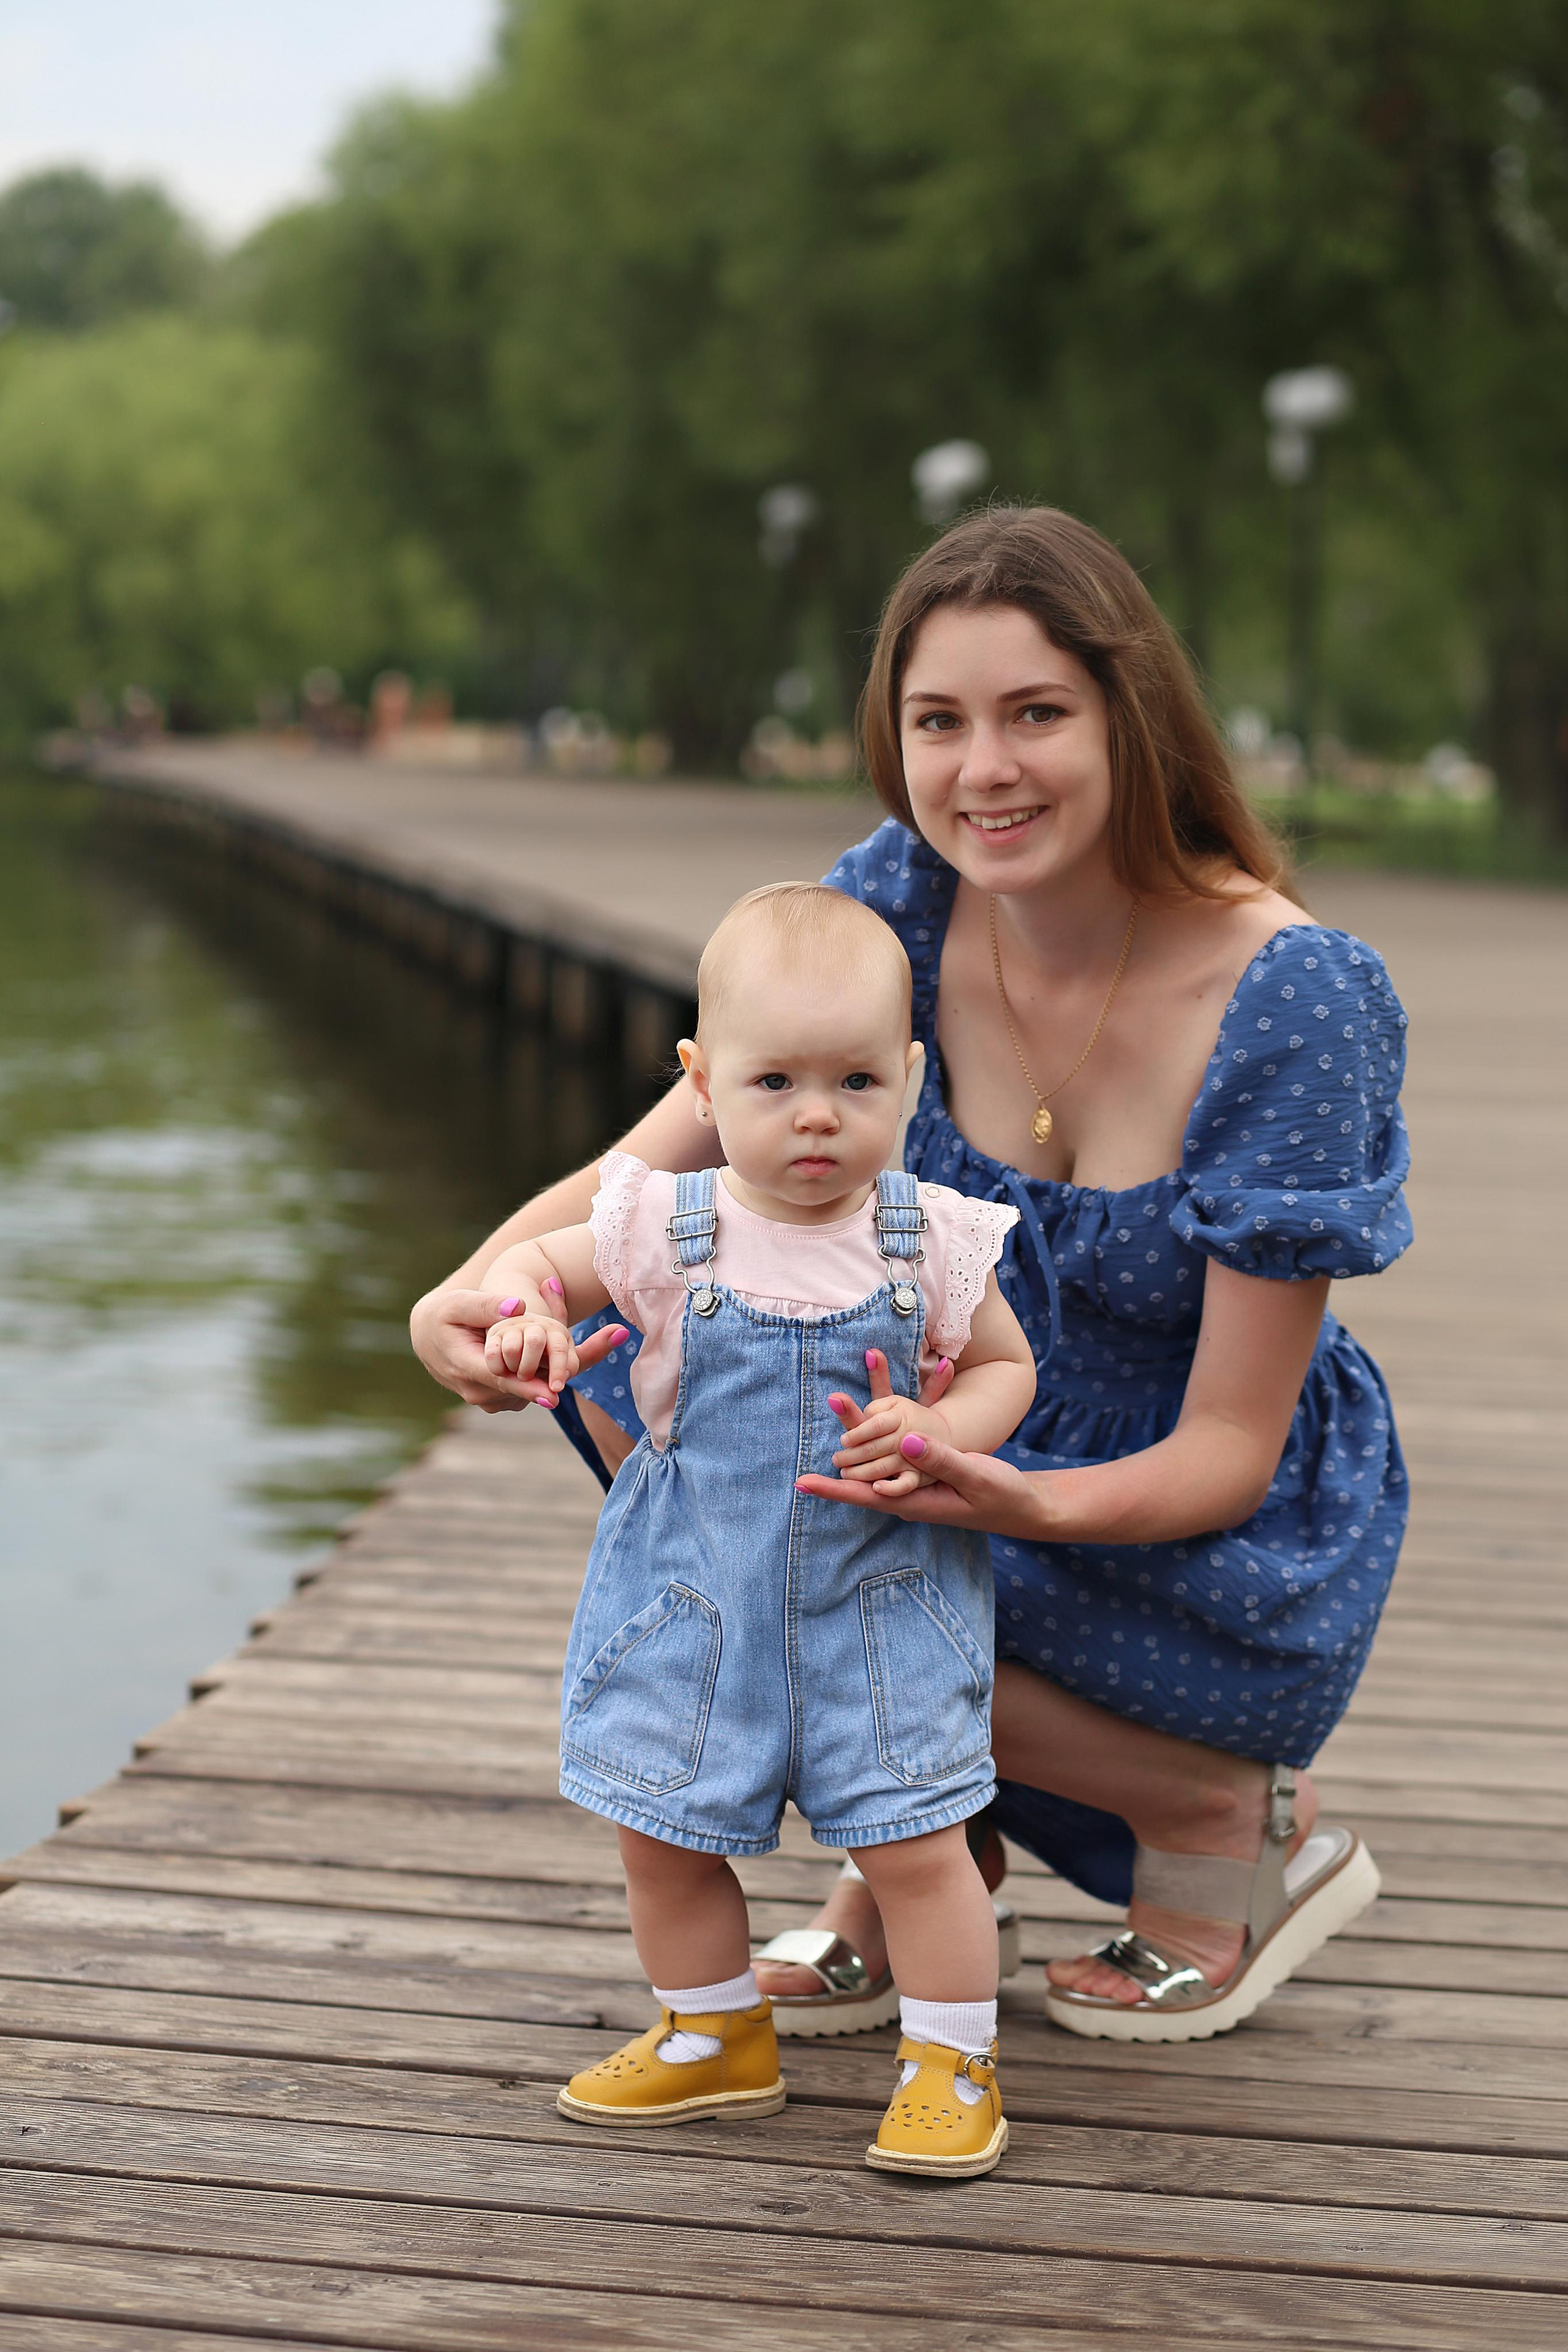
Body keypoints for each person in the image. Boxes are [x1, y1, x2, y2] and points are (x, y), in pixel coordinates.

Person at [410, 503, 1411, 2046]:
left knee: (805, 1538)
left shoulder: (1299, 1000)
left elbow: (1228, 1449)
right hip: (916, 1443)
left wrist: (1009, 1494)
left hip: (1179, 1526)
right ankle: (939, 1840)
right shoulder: (898, 897)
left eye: (1034, 715)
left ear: (1130, 716)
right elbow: (645, 1177)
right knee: (642, 1378)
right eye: (936, 721)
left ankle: (1213, 1812)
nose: (979, 771)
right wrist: (470, 1295)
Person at [473, 883, 1036, 2176]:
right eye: (773, 1080)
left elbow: (1006, 1369)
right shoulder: (661, 1226)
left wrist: (951, 1432)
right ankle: (711, 2033)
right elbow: (527, 1269)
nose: (817, 1115)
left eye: (853, 1080)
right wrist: (525, 1318)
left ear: (908, 1077)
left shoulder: (930, 1241)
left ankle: (953, 2059)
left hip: (881, 1600)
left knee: (915, 1844)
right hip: (693, 1597)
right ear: (703, 1082)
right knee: (661, 1837)